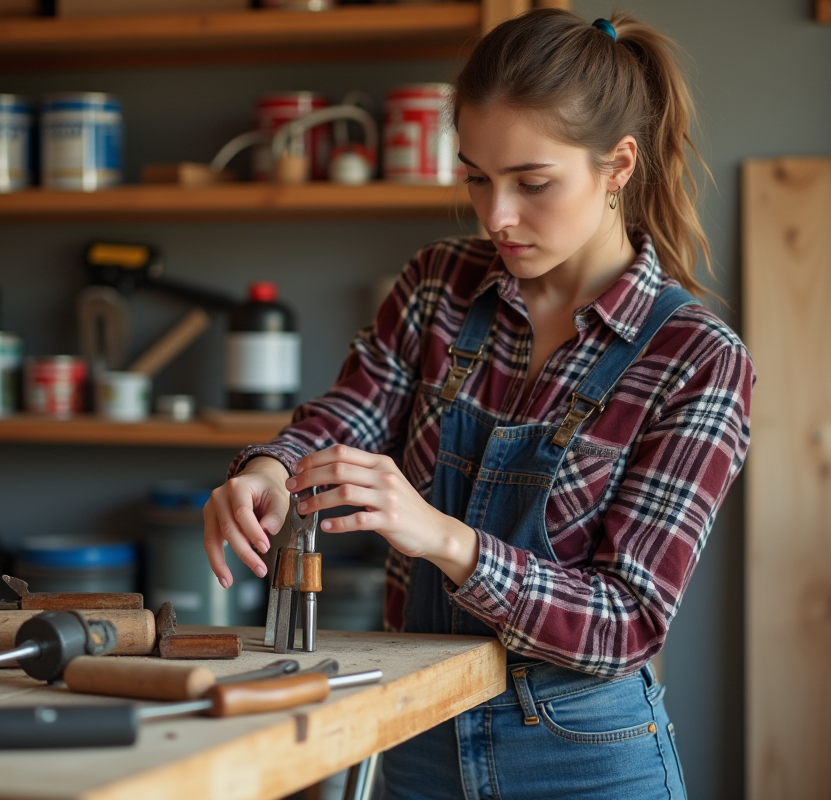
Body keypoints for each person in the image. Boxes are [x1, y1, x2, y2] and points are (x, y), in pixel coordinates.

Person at [204, 9, 754, 799]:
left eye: (533, 184)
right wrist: (270, 468)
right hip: (416, 737)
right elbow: (347, 415)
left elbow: (624, 620)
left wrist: (444, 538)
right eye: (476, 176)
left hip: (583, 757)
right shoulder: (439, 284)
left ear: (619, 166)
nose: (496, 216)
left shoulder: (697, 359)